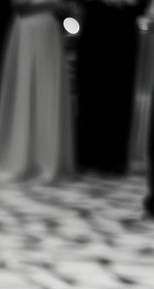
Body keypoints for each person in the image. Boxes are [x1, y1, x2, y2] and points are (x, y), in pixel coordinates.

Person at [0, 0, 74, 183]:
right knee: (23, 91)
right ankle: (20, 156)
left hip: (48, 29)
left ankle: (48, 158)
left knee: (47, 94)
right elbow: (19, 5)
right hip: (26, 28)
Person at [78, 0, 142, 176]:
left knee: (120, 95)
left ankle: (114, 159)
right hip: (95, 28)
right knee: (91, 92)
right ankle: (87, 156)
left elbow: (140, 7)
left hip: (123, 31)